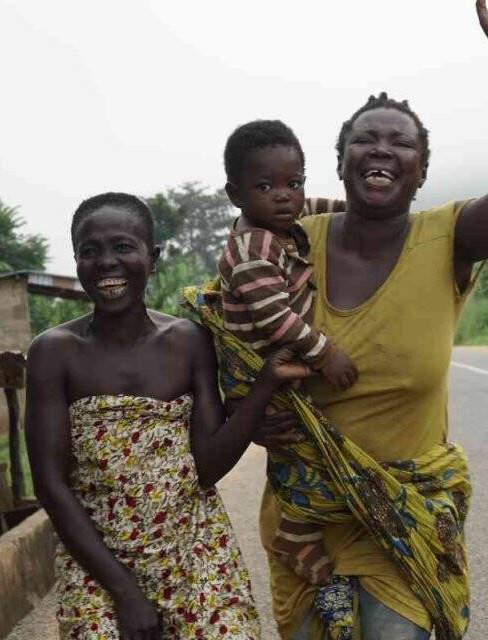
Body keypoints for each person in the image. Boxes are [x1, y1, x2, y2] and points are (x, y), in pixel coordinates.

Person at [246, 1, 488, 638]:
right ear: (339, 162)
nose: (381, 149)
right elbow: (227, 331)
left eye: (401, 142)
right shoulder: (285, 243)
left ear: (421, 169)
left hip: (408, 511)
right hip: (308, 521)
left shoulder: (449, 238)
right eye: (365, 139)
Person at [25, 192, 309, 640]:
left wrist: (266, 386)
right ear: (77, 261)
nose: (106, 263)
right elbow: (50, 485)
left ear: (152, 258)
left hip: (194, 549)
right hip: (99, 564)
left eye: (122, 247)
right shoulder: (53, 353)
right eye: (90, 252)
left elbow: (207, 467)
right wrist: (124, 592)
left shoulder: (189, 341)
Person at [215, 120, 358, 586]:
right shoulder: (251, 249)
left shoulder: (280, 220)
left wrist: (356, 210)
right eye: (265, 186)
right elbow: (276, 319)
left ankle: (300, 527)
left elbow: (315, 208)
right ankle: (295, 533)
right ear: (236, 195)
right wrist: (326, 354)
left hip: (276, 365)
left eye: (293, 183)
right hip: (260, 370)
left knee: (307, 449)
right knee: (308, 452)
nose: (285, 196)